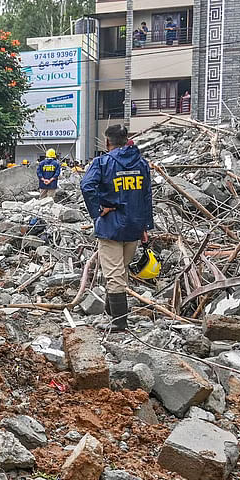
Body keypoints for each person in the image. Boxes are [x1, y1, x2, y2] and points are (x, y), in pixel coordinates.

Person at [81, 123, 154, 332]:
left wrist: (98, 209)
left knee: (114, 274)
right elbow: (146, 195)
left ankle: (119, 322)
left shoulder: (102, 163)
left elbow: (87, 186)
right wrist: (145, 225)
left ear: (107, 142)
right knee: (120, 272)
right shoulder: (141, 163)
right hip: (133, 225)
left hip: (112, 225)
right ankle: (109, 313)